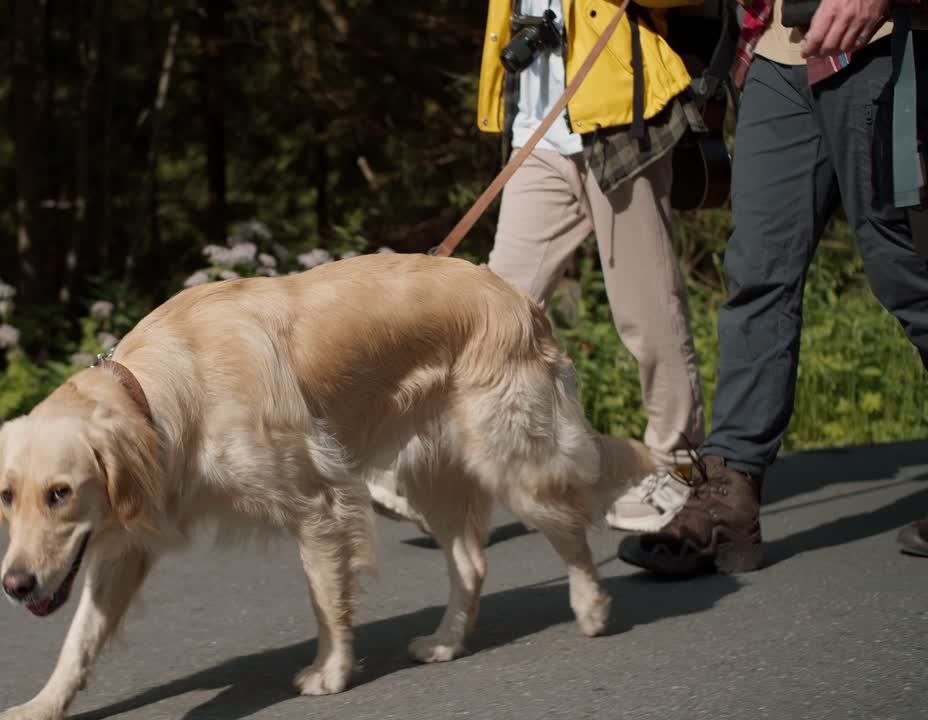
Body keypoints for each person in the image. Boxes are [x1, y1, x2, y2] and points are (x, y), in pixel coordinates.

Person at [370, 0, 711, 533]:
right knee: (489, 317)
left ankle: (680, 465)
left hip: (620, 125)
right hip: (541, 134)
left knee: (647, 313)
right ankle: (440, 468)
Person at [618, 0, 928, 575]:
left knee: (906, 269)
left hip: (883, 37)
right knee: (756, 274)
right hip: (776, 51)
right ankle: (728, 498)